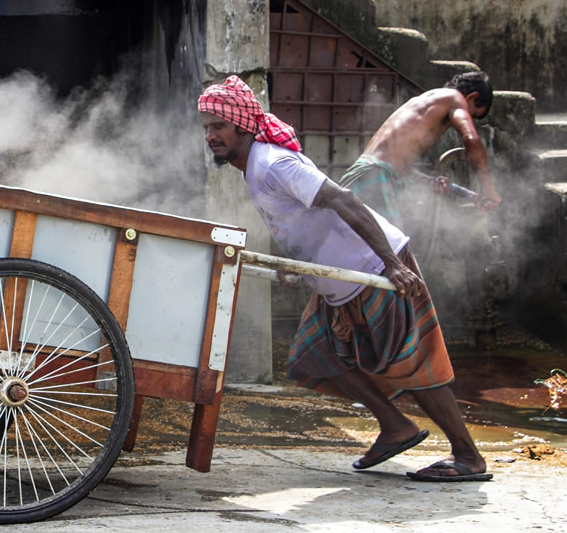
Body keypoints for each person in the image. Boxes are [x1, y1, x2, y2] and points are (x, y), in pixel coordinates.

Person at [199, 75, 491, 482]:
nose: (211, 135)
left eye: (219, 126)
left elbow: (343, 199)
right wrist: (293, 262)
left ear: (243, 125)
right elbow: (301, 219)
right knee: (312, 356)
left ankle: (468, 456)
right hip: (338, 278)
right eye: (207, 127)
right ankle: (395, 426)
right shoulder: (253, 167)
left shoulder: (273, 162)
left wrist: (391, 263)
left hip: (372, 267)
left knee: (410, 362)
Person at [340, 71, 500, 228]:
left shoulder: (428, 101)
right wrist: (487, 187)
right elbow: (471, 138)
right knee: (391, 250)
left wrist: (430, 182)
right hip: (375, 176)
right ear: (472, 97)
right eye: (472, 113)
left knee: (359, 250)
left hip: (362, 175)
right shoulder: (454, 98)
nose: (467, 116)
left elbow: (398, 165)